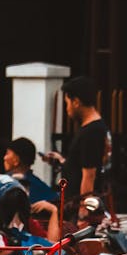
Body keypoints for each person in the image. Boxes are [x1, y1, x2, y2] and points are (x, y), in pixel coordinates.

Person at [42, 76, 112, 210]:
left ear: (76, 102)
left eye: (67, 103)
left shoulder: (91, 131)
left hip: (81, 207)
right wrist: (63, 161)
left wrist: (83, 211)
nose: (67, 109)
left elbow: (89, 175)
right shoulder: (95, 128)